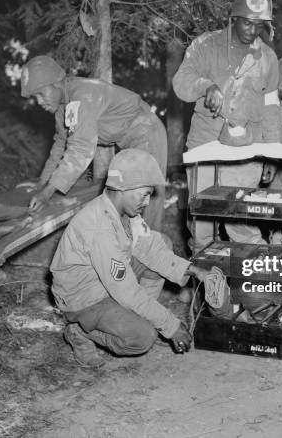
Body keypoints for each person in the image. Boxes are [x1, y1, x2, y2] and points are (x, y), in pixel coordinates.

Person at [50, 149, 210, 368]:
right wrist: (170, 326)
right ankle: (79, 330)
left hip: (103, 282)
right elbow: (125, 290)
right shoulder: (100, 227)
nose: (146, 202)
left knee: (161, 243)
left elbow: (151, 248)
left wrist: (193, 270)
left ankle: (139, 314)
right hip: (83, 298)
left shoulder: (122, 211)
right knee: (143, 336)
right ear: (122, 188)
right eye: (143, 194)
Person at [172, 0, 281, 250]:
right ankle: (208, 285)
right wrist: (205, 86)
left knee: (240, 219)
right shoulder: (205, 45)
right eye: (247, 23)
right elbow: (181, 81)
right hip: (205, 144)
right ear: (233, 18)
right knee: (202, 225)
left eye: (259, 25)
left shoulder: (267, 57)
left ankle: (254, 284)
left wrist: (271, 153)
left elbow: (270, 108)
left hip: (246, 150)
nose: (252, 30)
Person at [20, 57, 167, 232]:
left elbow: (81, 150)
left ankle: (153, 253)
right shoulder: (63, 107)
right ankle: (131, 252)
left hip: (146, 132)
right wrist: (42, 183)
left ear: (57, 83)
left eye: (41, 94)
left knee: (142, 202)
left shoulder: (83, 96)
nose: (39, 101)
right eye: (34, 97)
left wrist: (47, 193)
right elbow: (61, 144)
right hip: (129, 141)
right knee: (127, 205)